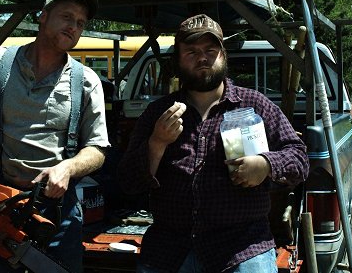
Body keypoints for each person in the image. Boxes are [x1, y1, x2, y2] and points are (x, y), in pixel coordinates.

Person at [117, 14, 309, 273]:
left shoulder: (256, 105)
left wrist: (265, 165)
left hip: (242, 246)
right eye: (191, 51)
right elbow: (128, 182)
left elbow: (299, 158)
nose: (202, 58)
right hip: (170, 248)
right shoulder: (157, 113)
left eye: (210, 50)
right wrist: (157, 143)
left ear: (223, 55)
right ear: (178, 59)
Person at [0, 0, 110, 273]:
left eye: (81, 23)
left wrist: (68, 168)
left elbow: (98, 149)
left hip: (57, 215)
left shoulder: (87, 81)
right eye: (67, 17)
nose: (74, 27)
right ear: (43, 17)